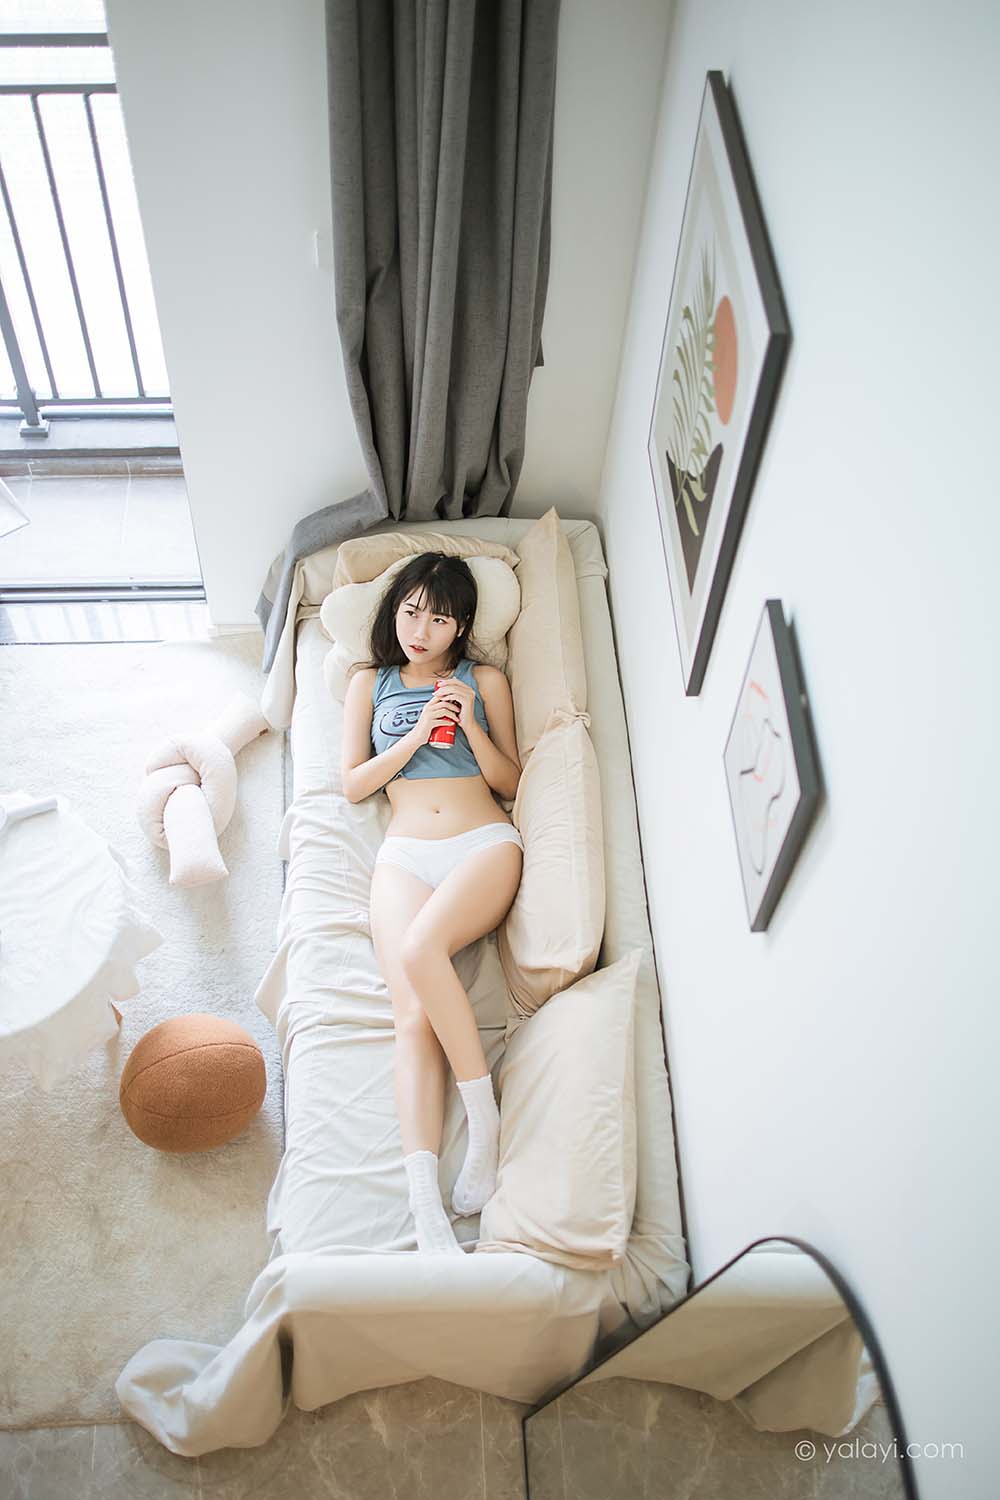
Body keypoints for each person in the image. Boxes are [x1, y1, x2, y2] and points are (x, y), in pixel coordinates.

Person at [341, 552, 524, 1255]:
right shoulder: (370, 682)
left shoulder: (485, 679)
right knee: (412, 1016)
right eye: (411, 611)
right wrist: (417, 735)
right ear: (394, 611)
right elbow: (353, 784)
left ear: (462, 625)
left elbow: (512, 780)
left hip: (483, 843)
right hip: (406, 854)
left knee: (422, 949)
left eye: (439, 619)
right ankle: (424, 1206)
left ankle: (485, 1124)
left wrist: (470, 723)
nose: (421, 630)